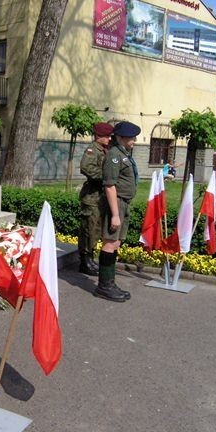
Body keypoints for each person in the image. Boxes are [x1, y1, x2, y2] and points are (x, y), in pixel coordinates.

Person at [94, 121, 140, 302]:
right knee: (110, 243)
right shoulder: (114, 155)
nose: (134, 140)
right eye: (131, 137)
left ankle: (110, 282)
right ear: (120, 138)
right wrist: (114, 214)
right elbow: (110, 186)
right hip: (116, 203)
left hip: (123, 203)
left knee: (116, 243)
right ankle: (104, 286)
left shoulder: (123, 154)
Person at [78, 122, 114, 276]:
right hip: (92, 197)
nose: (109, 139)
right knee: (88, 230)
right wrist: (106, 177)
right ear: (98, 136)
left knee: (96, 230)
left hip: (100, 197)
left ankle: (90, 258)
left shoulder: (105, 150)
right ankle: (85, 261)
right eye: (107, 136)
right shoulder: (93, 150)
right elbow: (86, 167)